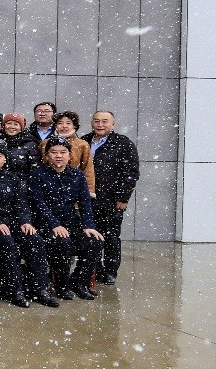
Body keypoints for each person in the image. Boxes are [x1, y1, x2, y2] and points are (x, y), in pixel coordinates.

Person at [0, 139, 52, 308]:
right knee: (8, 243)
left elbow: (21, 204)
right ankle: (15, 290)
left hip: (12, 223)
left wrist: (25, 221)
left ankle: (40, 289)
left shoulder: (13, 178)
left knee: (35, 240)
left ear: (5, 159)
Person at [29, 135, 104, 301]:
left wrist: (88, 225)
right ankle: (61, 286)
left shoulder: (77, 175)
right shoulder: (37, 174)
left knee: (94, 242)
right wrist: (54, 224)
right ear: (47, 155)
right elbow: (38, 204)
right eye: (54, 152)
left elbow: (85, 203)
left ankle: (78, 282)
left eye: (63, 152)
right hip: (45, 225)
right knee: (62, 242)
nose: (58, 156)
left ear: (69, 155)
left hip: (71, 223)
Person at [82, 111, 140, 285]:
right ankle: (95, 270)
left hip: (111, 199)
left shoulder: (123, 144)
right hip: (87, 199)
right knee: (91, 236)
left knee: (111, 237)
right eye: (97, 121)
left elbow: (131, 173)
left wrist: (123, 197)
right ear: (92, 123)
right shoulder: (84, 141)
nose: (100, 125)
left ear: (113, 124)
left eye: (105, 121)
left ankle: (110, 272)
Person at [38, 110, 96, 195]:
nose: (64, 126)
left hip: (74, 188)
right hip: (48, 187)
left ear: (74, 126)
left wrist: (88, 192)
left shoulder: (82, 145)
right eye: (60, 123)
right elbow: (40, 166)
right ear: (55, 125)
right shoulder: (45, 143)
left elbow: (88, 170)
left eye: (68, 123)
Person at [1, 112, 39, 178]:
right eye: (9, 123)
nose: (12, 127)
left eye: (16, 124)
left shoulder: (30, 144)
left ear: (21, 128)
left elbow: (35, 168)